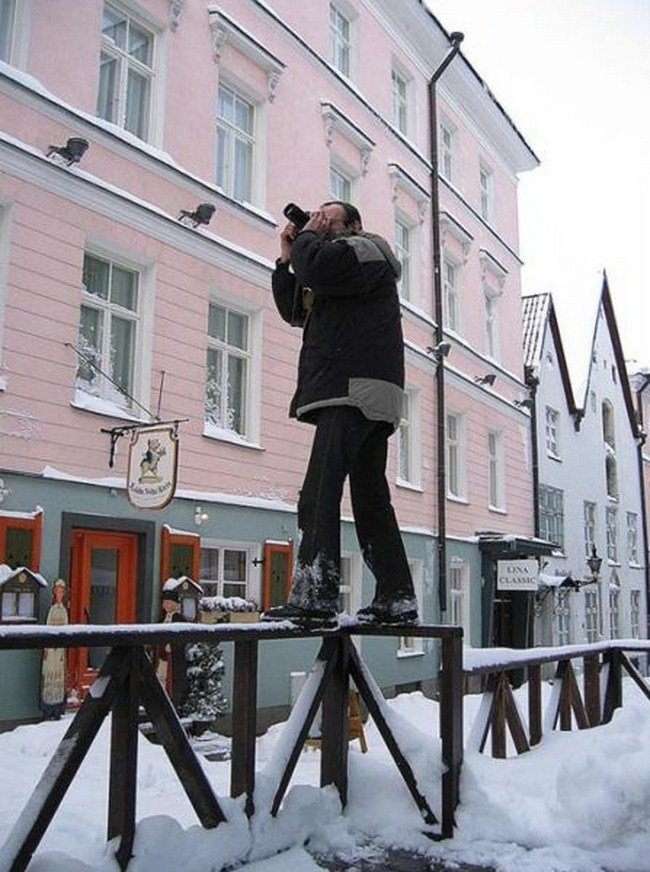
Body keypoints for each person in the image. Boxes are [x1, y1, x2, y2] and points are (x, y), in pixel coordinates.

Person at [261, 200, 418, 628]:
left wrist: (308, 240)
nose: (321, 226)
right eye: (318, 220)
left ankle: (315, 595)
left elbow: (318, 268)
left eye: (329, 220)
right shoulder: (341, 268)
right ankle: (396, 597)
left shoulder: (367, 250)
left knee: (319, 491)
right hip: (362, 391)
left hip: (352, 390)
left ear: (355, 224)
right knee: (370, 499)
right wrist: (286, 260)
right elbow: (295, 310)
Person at [41, 578, 68, 720]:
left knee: (58, 674)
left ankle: (57, 707)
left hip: (60, 651)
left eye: (61, 592)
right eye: (57, 591)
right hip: (51, 650)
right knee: (49, 673)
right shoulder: (52, 610)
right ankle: (48, 708)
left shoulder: (63, 610)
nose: (59, 594)